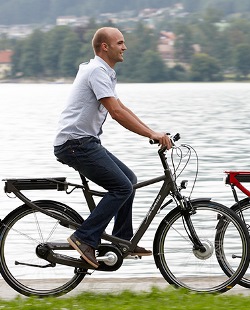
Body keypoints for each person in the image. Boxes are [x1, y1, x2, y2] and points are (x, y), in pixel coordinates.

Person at [53, 27, 172, 268]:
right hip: (76, 144)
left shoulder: (104, 72)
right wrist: (150, 134)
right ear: (105, 47)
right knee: (121, 187)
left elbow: (122, 108)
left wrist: (153, 132)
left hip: (84, 142)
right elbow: (116, 113)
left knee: (129, 179)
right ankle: (84, 237)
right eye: (120, 43)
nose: (125, 47)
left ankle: (120, 242)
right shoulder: (97, 71)